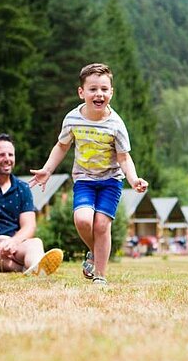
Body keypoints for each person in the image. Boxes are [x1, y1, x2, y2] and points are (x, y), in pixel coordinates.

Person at [30, 63, 148, 285]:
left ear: (111, 92)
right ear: (81, 92)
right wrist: (47, 169)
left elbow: (124, 157)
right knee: (83, 220)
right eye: (93, 89)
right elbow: (62, 146)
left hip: (110, 180)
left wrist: (133, 180)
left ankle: (100, 276)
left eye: (104, 89)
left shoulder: (116, 124)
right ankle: (96, 252)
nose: (99, 94)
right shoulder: (72, 119)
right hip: (84, 179)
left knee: (102, 225)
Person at [0, 134, 63, 275]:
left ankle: (36, 267)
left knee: (35, 242)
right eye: (1, 155)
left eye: (10, 155)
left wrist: (14, 241)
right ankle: (19, 269)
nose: (7, 159)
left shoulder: (22, 187)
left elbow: (29, 225)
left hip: (12, 246)